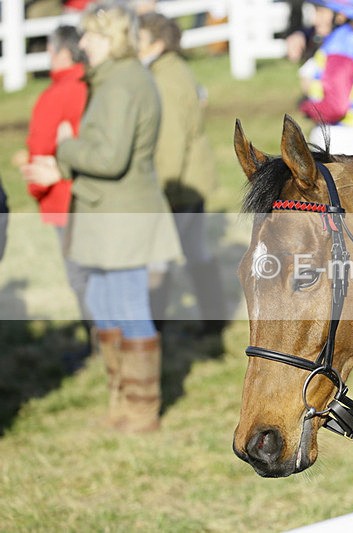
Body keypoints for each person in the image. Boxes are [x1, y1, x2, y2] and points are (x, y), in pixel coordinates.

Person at [22, 3, 182, 434]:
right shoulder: (114, 79)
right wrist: (66, 166)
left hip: (121, 215)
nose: (83, 44)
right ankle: (121, 400)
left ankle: (142, 409)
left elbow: (110, 158)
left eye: (90, 36)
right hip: (105, 211)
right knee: (105, 304)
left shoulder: (121, 84)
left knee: (127, 305)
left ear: (110, 38)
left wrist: (66, 148)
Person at [137, 12, 227, 336]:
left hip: (180, 185)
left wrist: (161, 190)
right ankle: (214, 321)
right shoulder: (175, 70)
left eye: (141, 40)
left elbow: (171, 145)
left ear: (158, 44)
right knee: (196, 251)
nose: (135, 46)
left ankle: (150, 331)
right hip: (194, 180)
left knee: (158, 259)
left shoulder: (163, 80)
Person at [19, 25, 93, 362]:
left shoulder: (56, 93)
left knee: (80, 276)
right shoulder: (94, 84)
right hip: (94, 194)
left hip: (63, 196)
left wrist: (34, 184)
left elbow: (41, 146)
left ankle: (97, 342)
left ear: (62, 52)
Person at [296, 0, 353, 155]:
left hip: (340, 140)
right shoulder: (348, 39)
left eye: (320, 12)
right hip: (350, 137)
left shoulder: (340, 47)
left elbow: (336, 107)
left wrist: (306, 106)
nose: (314, 20)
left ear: (340, 16)